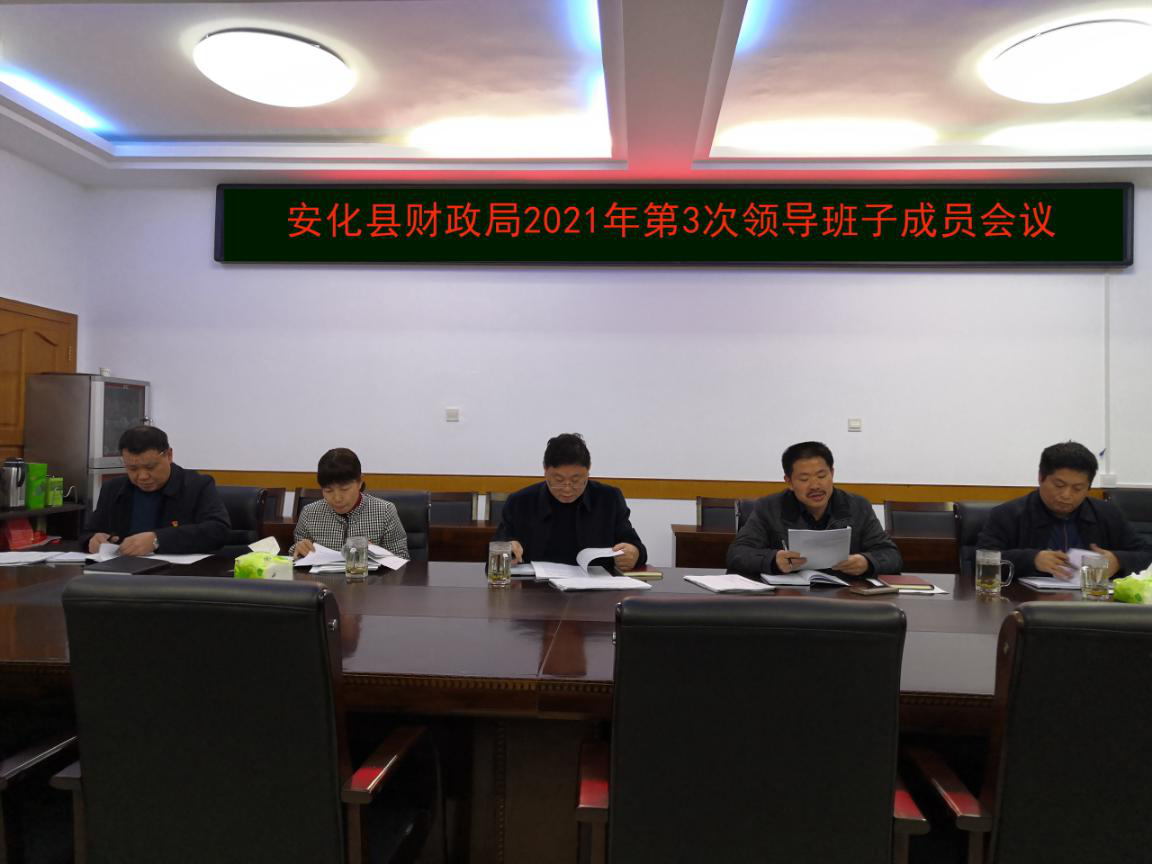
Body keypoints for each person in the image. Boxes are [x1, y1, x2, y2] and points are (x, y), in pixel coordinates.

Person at [977, 441, 1152, 579]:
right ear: (1041, 477)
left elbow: (1146, 554)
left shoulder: (1107, 515)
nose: (1067, 495)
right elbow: (982, 560)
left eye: (1078, 488)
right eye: (1059, 485)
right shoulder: (1008, 515)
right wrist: (1032, 560)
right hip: (1028, 604)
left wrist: (1119, 561)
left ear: (1088, 487)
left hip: (1092, 604)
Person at [726, 441, 902, 576]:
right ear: (789, 482)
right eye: (804, 479)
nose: (815, 486)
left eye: (822, 476)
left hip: (845, 597)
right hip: (789, 598)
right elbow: (737, 554)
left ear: (832, 473)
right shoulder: (769, 507)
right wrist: (773, 560)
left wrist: (867, 562)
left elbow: (891, 555)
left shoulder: (857, 506)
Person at [492, 433, 647, 570]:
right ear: (545, 470)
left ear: (588, 470)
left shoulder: (609, 499)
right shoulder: (520, 502)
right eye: (558, 480)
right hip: (535, 590)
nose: (567, 489)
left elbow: (634, 545)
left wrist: (634, 553)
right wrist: (506, 549)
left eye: (576, 480)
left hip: (595, 590)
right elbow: (497, 547)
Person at [81, 425, 230, 555]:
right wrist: (92, 540)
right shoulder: (113, 489)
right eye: (132, 468)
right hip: (120, 572)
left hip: (176, 574)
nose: (142, 476)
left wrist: (157, 540)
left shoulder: (197, 485)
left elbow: (218, 531)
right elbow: (87, 532)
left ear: (169, 455)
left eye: (150, 467)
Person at [292, 448, 408, 559]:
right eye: (328, 490)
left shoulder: (385, 511)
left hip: (367, 573)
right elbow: (295, 555)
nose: (337, 498)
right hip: (322, 574)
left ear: (360, 482)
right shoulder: (309, 513)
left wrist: (376, 553)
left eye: (344, 489)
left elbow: (402, 557)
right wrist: (299, 549)